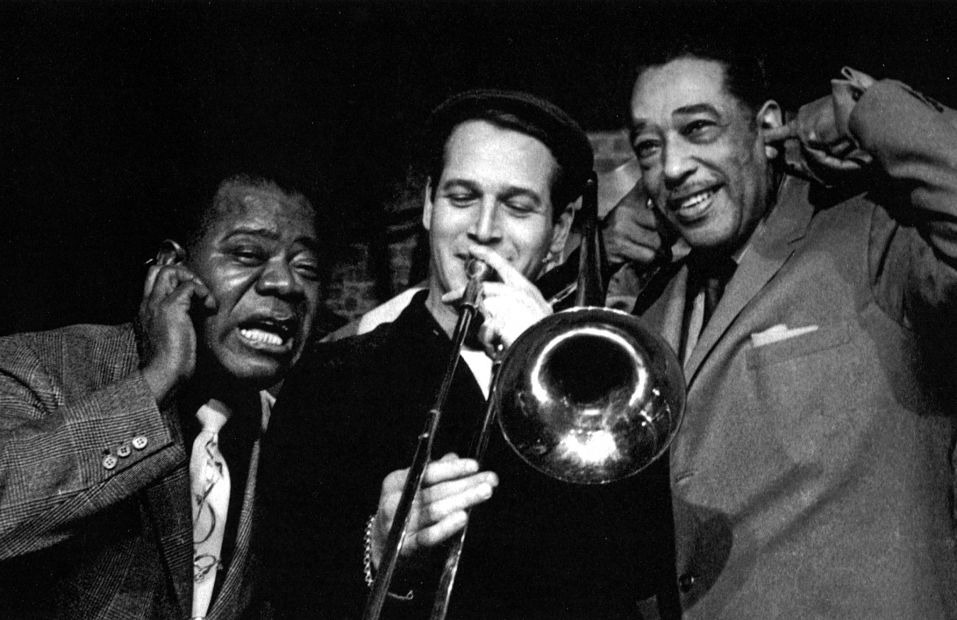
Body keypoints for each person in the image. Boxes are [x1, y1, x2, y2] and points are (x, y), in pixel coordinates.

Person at [258, 90, 679, 618]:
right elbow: (290, 590)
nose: (483, 229)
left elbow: (642, 566)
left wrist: (551, 357)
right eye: (462, 198)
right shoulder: (332, 378)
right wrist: (381, 549)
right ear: (430, 205)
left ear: (560, 230)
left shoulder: (599, 376)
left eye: (518, 206)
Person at [617, 38, 957, 618]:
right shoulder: (650, 306)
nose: (671, 168)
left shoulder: (874, 236)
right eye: (649, 147)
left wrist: (872, 111)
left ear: (768, 128)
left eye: (698, 129)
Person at [0, 173, 323, 619]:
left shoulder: (289, 440)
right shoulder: (43, 366)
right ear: (174, 267)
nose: (286, 284)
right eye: (248, 254)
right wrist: (157, 381)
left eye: (306, 268)